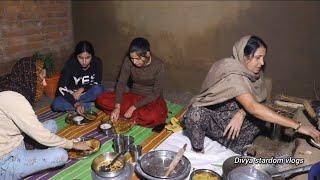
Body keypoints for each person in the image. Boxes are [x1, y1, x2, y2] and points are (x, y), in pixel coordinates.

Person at [182, 35, 320, 154]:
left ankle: (231, 145)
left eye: (263, 57)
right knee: (195, 114)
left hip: (235, 126)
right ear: (244, 56)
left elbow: (258, 101)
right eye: (258, 57)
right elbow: (253, 106)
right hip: (216, 120)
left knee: (261, 116)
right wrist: (298, 126)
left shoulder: (252, 73)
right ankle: (198, 151)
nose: (262, 63)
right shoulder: (232, 74)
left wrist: (242, 113)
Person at [0, 57, 91, 179]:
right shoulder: (14, 99)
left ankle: (30, 147)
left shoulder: (11, 84)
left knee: (52, 124)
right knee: (61, 155)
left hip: (14, 139)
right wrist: (72, 144)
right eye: (41, 79)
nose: (44, 83)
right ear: (29, 77)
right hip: (6, 159)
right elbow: (40, 134)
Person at [96, 37, 167, 127]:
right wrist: (117, 107)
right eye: (132, 58)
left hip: (151, 99)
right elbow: (121, 83)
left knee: (153, 117)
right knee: (101, 99)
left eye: (137, 59)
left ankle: (130, 114)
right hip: (133, 96)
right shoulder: (128, 61)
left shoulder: (159, 65)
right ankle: (132, 116)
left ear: (147, 54)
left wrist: (133, 107)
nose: (134, 62)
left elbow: (156, 93)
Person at [51, 41, 104, 115]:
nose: (84, 62)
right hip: (72, 95)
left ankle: (79, 105)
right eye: (80, 58)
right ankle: (88, 105)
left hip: (86, 93)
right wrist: (76, 104)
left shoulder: (97, 62)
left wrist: (81, 89)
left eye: (88, 57)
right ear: (76, 56)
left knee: (99, 89)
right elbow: (61, 89)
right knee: (55, 104)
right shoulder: (70, 65)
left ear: (92, 56)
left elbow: (97, 82)